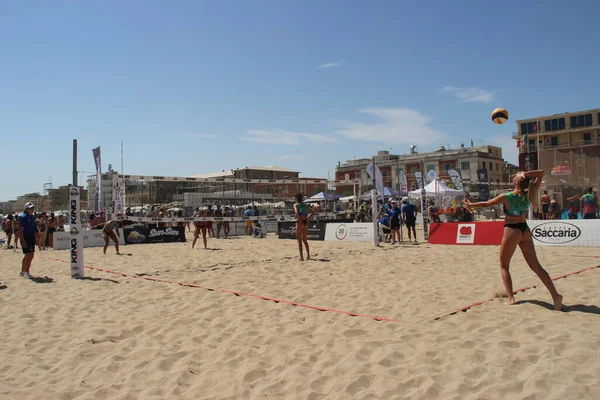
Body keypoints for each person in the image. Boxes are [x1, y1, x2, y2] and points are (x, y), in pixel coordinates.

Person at [464, 170, 563, 310]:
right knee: (536, 266)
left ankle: (511, 298)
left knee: (504, 265)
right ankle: (555, 296)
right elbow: (541, 173)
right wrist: (526, 174)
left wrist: (471, 205)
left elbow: (486, 204)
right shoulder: (530, 193)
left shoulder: (507, 196)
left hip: (512, 229)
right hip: (525, 229)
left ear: (517, 181)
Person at [294, 193, 314, 261]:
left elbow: (296, 213)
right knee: (305, 240)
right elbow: (313, 212)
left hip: (300, 223)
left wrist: (299, 221)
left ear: (296, 198)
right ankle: (308, 256)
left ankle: (302, 257)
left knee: (299, 241)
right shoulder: (305, 205)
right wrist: (307, 219)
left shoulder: (296, 205)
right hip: (305, 223)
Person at [19, 203, 38, 279]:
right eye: (30, 208)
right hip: (26, 237)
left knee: (29, 255)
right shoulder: (23, 217)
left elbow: (34, 228)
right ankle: (26, 271)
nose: (32, 209)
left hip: (31, 237)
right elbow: (21, 230)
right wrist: (23, 240)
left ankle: (23, 271)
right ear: (26, 209)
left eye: (33, 208)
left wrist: (36, 237)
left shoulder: (32, 217)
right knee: (29, 255)